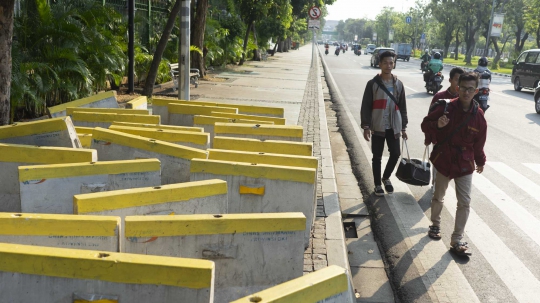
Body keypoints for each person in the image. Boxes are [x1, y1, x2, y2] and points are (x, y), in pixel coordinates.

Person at [421, 72, 487, 256]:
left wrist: (480, 161)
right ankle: (435, 225)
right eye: (463, 88)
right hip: (444, 159)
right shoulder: (445, 107)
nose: (466, 92)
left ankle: (457, 238)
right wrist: (437, 126)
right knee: (438, 196)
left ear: (476, 91)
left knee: (464, 202)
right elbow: (425, 124)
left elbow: (479, 144)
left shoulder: (479, 117)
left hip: (465, 165)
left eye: (470, 89)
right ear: (457, 88)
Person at [361, 51, 408, 196]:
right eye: (385, 63)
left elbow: (403, 106)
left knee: (395, 154)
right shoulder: (372, 84)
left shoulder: (399, 84)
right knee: (377, 156)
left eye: (391, 62)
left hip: (394, 126)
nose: (388, 65)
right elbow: (366, 106)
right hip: (378, 126)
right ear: (379, 64)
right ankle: (377, 184)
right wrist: (366, 126)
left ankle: (386, 177)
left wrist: (404, 127)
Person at [426, 67, 465, 186]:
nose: (459, 84)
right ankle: (435, 186)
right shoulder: (439, 97)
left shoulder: (465, 99)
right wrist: (429, 137)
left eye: (461, 81)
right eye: (457, 80)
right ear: (450, 80)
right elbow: (429, 119)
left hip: (458, 142)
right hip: (440, 140)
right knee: (439, 165)